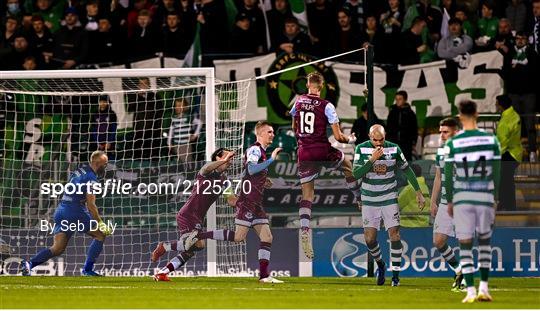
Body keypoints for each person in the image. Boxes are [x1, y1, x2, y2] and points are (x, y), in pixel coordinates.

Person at [194, 121, 284, 283]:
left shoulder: (258, 152)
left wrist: (263, 179)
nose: (273, 134)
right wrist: (270, 160)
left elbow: (246, 173)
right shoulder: (255, 149)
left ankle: (264, 276)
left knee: (267, 237)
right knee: (238, 237)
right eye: (269, 132)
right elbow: (250, 170)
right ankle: (200, 235)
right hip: (248, 201)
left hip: (255, 202)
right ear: (261, 133)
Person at [289, 72, 360, 259]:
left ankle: (305, 229)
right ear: (321, 87)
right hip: (321, 149)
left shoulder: (298, 101)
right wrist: (350, 139)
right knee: (346, 164)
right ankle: (359, 198)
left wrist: (301, 139)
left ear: (308, 85)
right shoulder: (327, 105)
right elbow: (338, 137)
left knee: (307, 194)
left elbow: (294, 125)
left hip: (304, 151)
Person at [353, 124, 425, 287]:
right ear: (369, 137)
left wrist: (418, 191)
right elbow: (355, 175)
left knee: (395, 235)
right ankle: (381, 264)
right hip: (369, 199)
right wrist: (371, 160)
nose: (379, 144)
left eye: (381, 140)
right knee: (370, 239)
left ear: (385, 137)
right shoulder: (361, 149)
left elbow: (407, 170)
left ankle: (396, 277)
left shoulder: (394, 149)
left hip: (389, 197)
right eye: (375, 140)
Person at [444, 100, 501, 303]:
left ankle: (469, 291)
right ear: (477, 113)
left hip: (463, 198)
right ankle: (484, 288)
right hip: (484, 196)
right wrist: (496, 197)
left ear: (460, 116)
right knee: (484, 242)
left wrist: (450, 201)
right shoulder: (491, 140)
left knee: (465, 244)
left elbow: (448, 174)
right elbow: (497, 171)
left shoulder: (453, 143)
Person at [20, 151, 111, 276]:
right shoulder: (91, 178)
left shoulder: (80, 170)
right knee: (100, 235)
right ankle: (88, 270)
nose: (105, 167)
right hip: (75, 211)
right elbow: (91, 205)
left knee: (57, 248)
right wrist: (100, 222)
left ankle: (29, 264)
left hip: (61, 210)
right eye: (104, 164)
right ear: (97, 163)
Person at [151, 148, 235, 281]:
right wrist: (225, 159)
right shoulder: (206, 172)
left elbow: (232, 201)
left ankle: (162, 273)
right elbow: (207, 167)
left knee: (191, 250)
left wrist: (251, 195)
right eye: (227, 157)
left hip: (198, 217)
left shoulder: (225, 181)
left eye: (231, 158)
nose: (230, 161)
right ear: (218, 158)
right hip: (188, 213)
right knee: (199, 244)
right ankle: (164, 247)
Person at [430, 117, 464, 291]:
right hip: (444, 203)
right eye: (440, 131)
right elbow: (438, 177)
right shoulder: (441, 150)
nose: (441, 135)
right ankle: (459, 271)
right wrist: (433, 201)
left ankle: (465, 280)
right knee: (438, 241)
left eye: (445, 132)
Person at [504, 31, 538, 161]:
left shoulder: (532, 54)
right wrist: (519, 68)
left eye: (522, 38)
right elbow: (506, 72)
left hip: (529, 94)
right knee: (515, 125)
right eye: (517, 38)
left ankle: (532, 151)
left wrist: (517, 67)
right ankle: (516, 153)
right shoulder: (509, 54)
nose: (519, 40)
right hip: (514, 94)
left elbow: (534, 72)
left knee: (530, 124)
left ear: (526, 40)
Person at [495, 95, 523, 211]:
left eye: (497, 103)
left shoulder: (505, 121)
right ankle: (507, 205)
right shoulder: (514, 115)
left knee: (505, 181)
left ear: (501, 105)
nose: (496, 105)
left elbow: (502, 142)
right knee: (506, 181)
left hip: (508, 154)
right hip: (516, 153)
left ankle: (508, 205)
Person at [167, 98, 201, 168]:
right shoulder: (174, 118)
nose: (178, 107)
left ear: (185, 107)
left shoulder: (188, 117)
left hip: (186, 145)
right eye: (176, 106)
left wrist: (195, 135)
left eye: (180, 105)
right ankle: (182, 176)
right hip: (177, 145)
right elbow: (171, 131)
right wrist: (169, 143)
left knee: (188, 162)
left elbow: (200, 123)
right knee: (180, 164)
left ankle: (190, 175)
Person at [386, 90, 418, 161]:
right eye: (396, 99)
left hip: (406, 144)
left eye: (400, 99)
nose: (397, 101)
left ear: (405, 100)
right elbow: (388, 127)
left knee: (406, 163)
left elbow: (414, 129)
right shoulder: (392, 112)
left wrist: (413, 142)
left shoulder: (410, 113)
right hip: (393, 142)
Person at [398, 163, 430, 228]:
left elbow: (397, 205)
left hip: (408, 225)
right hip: (424, 225)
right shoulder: (425, 187)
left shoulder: (410, 188)